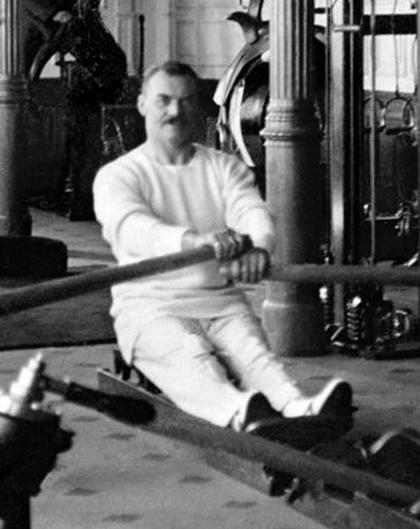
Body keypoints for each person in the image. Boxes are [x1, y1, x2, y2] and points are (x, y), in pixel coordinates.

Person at [92, 60, 352, 430]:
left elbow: (252, 212)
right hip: (151, 306)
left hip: (219, 299)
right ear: (142, 104)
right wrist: (194, 241)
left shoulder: (224, 167)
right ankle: (239, 412)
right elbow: (133, 228)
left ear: (197, 107)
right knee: (190, 357)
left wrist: (258, 248)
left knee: (256, 358)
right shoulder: (117, 176)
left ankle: (298, 408)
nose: (175, 111)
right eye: (164, 100)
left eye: (185, 101)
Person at [23, 0, 126, 221]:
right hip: (41, 24)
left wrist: (86, 1)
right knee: (19, 83)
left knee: (112, 59)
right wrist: (54, 12)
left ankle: (103, 106)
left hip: (76, 23)